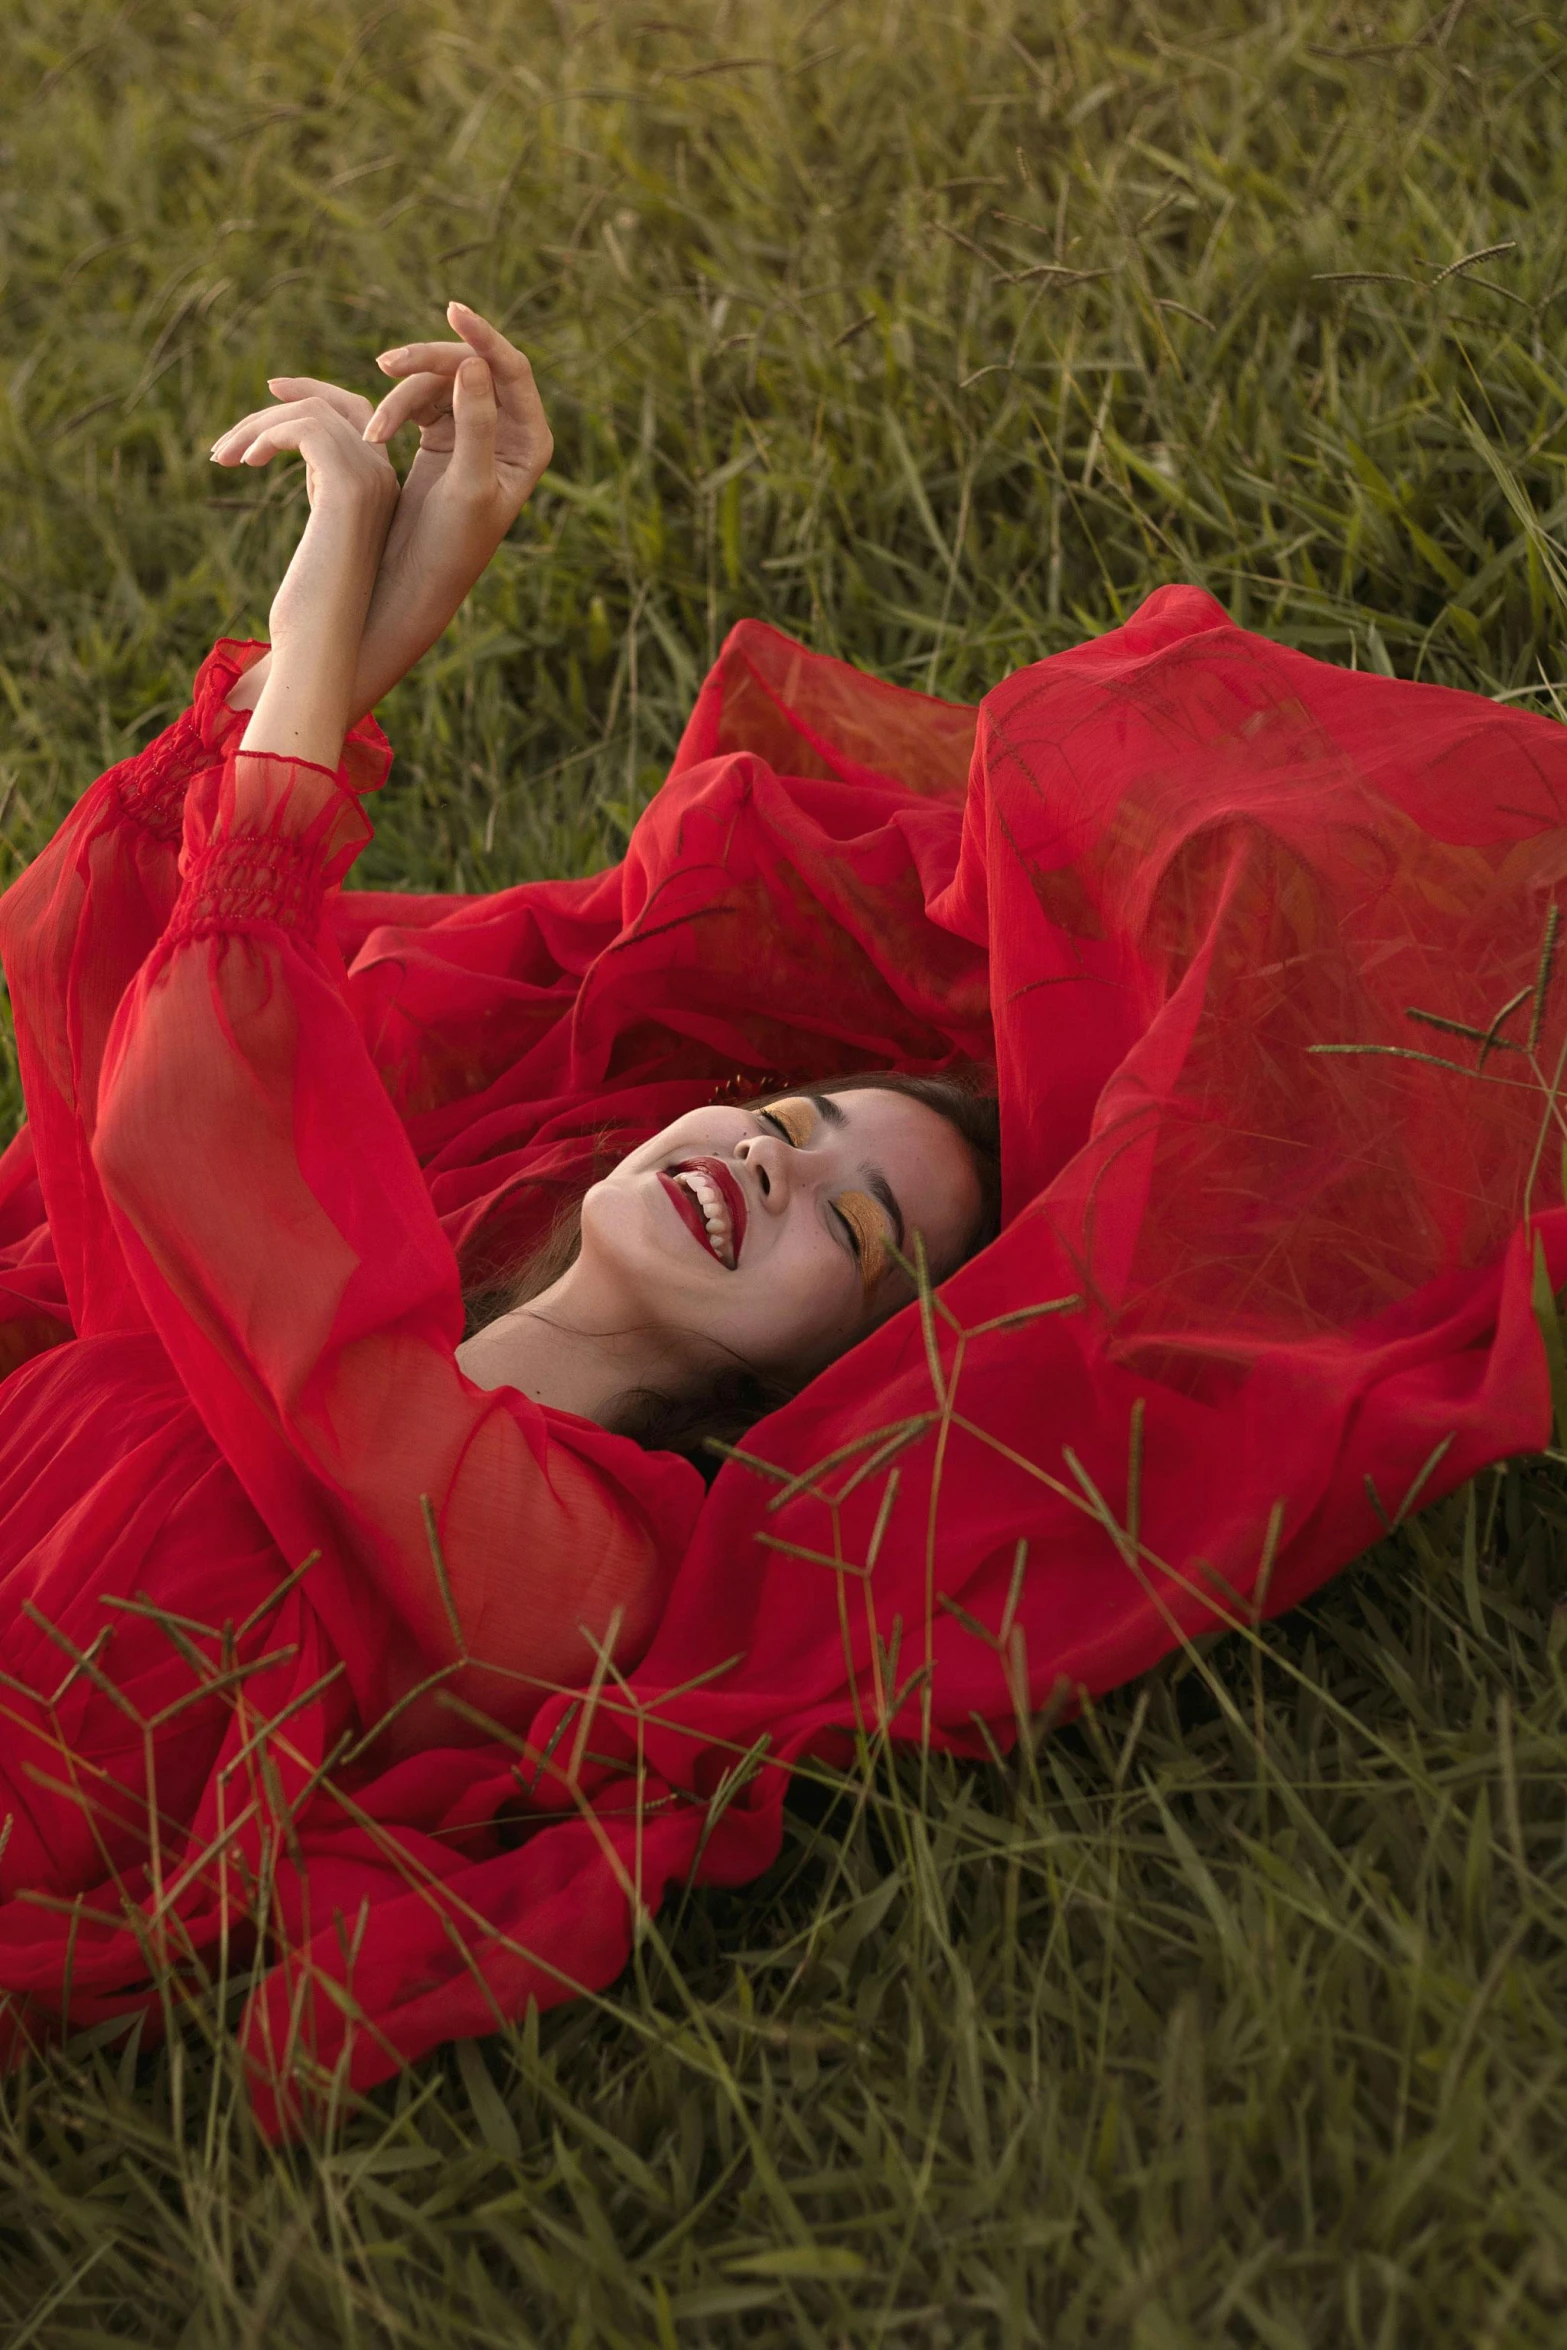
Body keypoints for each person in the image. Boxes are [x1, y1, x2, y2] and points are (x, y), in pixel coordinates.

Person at [0, 307, 1000, 1919]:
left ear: (830, 1368)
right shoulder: (238, 1350)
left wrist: (328, 586)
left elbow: (194, 1110)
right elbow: (90, 954)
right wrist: (392, 609)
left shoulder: (584, 1570)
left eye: (852, 1221)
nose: (770, 1158)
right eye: (799, 1120)